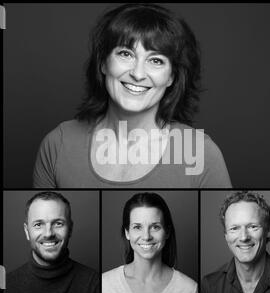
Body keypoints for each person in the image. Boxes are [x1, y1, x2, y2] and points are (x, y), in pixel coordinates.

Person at [33, 3, 231, 188]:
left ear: (172, 77)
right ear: (103, 63)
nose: (137, 74)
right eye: (126, 54)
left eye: (156, 60)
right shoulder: (58, 144)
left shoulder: (202, 155)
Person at [201, 191, 270, 293]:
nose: (244, 237)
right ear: (226, 235)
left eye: (252, 226)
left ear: (268, 231)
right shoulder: (210, 286)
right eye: (234, 228)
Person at [102, 192, 198, 293]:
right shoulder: (104, 285)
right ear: (127, 233)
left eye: (155, 227)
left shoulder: (189, 290)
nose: (146, 237)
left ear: (167, 232)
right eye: (137, 227)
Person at [5, 191, 99, 293]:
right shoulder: (7, 286)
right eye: (38, 224)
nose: (48, 233)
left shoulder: (95, 284)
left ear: (70, 229)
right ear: (27, 231)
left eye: (58, 223)